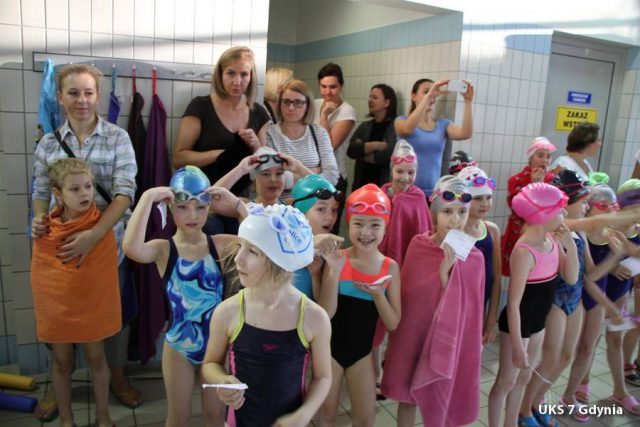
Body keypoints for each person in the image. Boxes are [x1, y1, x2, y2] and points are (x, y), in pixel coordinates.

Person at [31, 63, 140, 421]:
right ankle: (58, 385)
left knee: (113, 318)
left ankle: (118, 379)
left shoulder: (118, 138)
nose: (82, 100)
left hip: (108, 246)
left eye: (89, 92)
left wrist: (94, 236)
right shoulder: (49, 143)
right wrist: (38, 218)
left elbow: (125, 193)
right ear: (60, 97)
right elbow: (40, 191)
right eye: (74, 93)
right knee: (60, 319)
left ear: (98, 96)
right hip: (60, 250)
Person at [123, 166, 246, 425]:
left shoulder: (219, 244)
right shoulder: (164, 249)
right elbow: (131, 248)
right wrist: (146, 198)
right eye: (182, 207)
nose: (193, 215)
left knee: (215, 417)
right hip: (179, 347)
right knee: (178, 418)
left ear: (209, 207)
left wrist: (237, 205)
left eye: (200, 207)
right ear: (170, 207)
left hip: (216, 347)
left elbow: (259, 243)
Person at [202, 203, 332, 427]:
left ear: (280, 262)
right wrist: (222, 380)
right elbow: (210, 363)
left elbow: (323, 377)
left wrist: (304, 414)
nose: (238, 258)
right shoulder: (228, 311)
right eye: (240, 246)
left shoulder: (313, 318)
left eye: (252, 251)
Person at [382, 175, 485, 427]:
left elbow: (469, 311)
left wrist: (446, 276)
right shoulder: (419, 246)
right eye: (447, 211)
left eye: (462, 212)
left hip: (449, 338)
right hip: (415, 333)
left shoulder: (474, 257)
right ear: (434, 213)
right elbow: (410, 300)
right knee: (407, 396)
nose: (455, 219)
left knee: (443, 399)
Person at [31, 159, 120, 427]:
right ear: (57, 193)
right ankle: (66, 420)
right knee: (61, 362)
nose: (85, 193)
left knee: (97, 357)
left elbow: (104, 272)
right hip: (59, 306)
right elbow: (44, 274)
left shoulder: (101, 228)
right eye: (75, 189)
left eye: (88, 186)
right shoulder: (46, 229)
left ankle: (103, 417)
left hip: (92, 303)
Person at [487, 183, 579, 427]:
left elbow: (571, 278)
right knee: (506, 382)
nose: (565, 213)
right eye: (560, 209)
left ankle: (511, 422)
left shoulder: (552, 240)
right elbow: (514, 303)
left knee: (523, 379)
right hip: (518, 325)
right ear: (543, 214)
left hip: (538, 322)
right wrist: (518, 346)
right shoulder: (525, 251)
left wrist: (570, 247)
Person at [317, 184, 401, 426]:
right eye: (359, 223)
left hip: (362, 355)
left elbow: (393, 323)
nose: (366, 232)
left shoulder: (389, 267)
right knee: (327, 416)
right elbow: (325, 314)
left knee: (365, 420)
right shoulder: (337, 258)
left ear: (386, 228)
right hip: (330, 351)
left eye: (375, 225)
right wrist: (333, 272)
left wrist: (378, 295)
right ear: (348, 224)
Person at [173, 46, 270, 234]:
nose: (237, 81)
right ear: (220, 75)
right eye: (231, 73)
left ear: (251, 77)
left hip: (239, 201)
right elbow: (179, 159)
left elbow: (265, 166)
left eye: (244, 74)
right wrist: (219, 155)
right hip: (202, 201)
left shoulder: (258, 112)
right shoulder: (201, 106)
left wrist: (256, 146)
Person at [394, 78, 474, 198]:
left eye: (434, 92)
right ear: (413, 96)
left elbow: (466, 133)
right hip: (405, 191)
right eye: (426, 92)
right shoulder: (401, 121)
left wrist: (468, 101)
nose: (432, 95)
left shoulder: (443, 124)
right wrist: (429, 96)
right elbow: (407, 129)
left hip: (432, 193)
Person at [266, 79, 339, 189]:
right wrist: (316, 170)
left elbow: (332, 178)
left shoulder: (319, 133)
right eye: (286, 102)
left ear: (308, 106)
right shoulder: (270, 133)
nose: (291, 108)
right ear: (280, 104)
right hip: (280, 200)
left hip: (315, 199)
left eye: (298, 103)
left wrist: (299, 169)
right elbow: (272, 181)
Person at [501, 137, 558, 276]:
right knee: (519, 273)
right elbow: (517, 209)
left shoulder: (554, 181)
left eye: (548, 156)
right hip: (520, 232)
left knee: (541, 272)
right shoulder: (516, 180)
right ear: (531, 158)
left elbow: (556, 209)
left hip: (546, 234)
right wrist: (534, 185)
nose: (545, 160)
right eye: (540, 155)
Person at [458, 165, 502, 344]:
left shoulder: (492, 231)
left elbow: (497, 279)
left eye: (488, 197)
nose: (485, 203)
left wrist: (492, 318)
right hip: (456, 307)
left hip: (480, 307)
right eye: (478, 198)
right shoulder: (455, 232)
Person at [314, 63, 357, 233]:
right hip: (313, 173)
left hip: (335, 177)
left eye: (333, 87)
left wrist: (324, 117)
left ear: (341, 86)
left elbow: (329, 147)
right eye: (323, 86)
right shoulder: (315, 104)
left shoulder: (347, 112)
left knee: (328, 229)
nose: (328, 92)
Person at [291, 174, 345, 299]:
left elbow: (323, 305)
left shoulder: (329, 253)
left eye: (334, 210)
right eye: (321, 209)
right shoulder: (279, 242)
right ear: (300, 212)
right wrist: (308, 244)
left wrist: (316, 275)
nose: (330, 217)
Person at [215, 146, 313, 206]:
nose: (273, 179)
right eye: (266, 174)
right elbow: (212, 197)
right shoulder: (244, 206)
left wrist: (299, 167)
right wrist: (241, 169)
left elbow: (322, 192)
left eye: (279, 173)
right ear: (255, 179)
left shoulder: (292, 206)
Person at [347, 83, 398, 190]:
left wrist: (361, 152)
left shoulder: (395, 126)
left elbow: (388, 156)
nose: (370, 100)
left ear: (387, 102)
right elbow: (350, 149)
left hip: (382, 189)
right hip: (361, 186)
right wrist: (377, 145)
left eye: (375, 97)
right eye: (370, 97)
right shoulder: (365, 126)